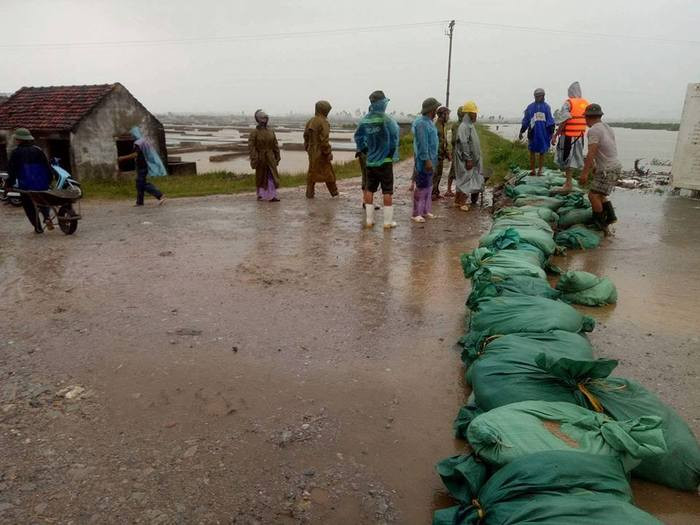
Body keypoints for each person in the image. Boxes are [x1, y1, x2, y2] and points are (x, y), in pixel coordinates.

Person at [354, 90, 400, 228]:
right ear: (382, 103)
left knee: (369, 189)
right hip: (385, 161)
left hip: (370, 161)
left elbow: (358, 136)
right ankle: (387, 222)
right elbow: (394, 137)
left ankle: (369, 220)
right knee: (387, 191)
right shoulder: (387, 120)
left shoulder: (365, 120)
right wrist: (391, 153)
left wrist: (364, 149)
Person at [580, 103, 621, 234]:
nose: (585, 120)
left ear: (588, 117)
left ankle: (599, 223)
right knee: (601, 195)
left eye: (585, 117)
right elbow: (606, 149)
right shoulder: (607, 127)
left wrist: (584, 173)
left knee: (593, 195)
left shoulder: (594, 130)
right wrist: (596, 166)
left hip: (607, 169)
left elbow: (591, 153)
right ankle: (610, 218)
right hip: (614, 166)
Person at [6, 128, 54, 233]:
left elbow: (12, 170)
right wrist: (49, 180)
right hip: (42, 183)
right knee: (43, 201)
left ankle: (38, 227)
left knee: (28, 205)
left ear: (19, 139)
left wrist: (9, 184)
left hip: (26, 184)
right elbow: (47, 166)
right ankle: (46, 217)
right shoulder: (38, 150)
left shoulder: (16, 153)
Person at [551, 81, 589, 190]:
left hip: (568, 136)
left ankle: (568, 184)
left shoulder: (568, 103)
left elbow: (564, 120)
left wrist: (555, 135)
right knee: (576, 158)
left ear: (570, 92)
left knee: (566, 159)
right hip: (580, 136)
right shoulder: (585, 103)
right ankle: (572, 181)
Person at [118, 126, 167, 206]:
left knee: (142, 183)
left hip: (142, 166)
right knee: (139, 184)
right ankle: (139, 202)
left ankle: (160, 195)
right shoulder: (144, 141)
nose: (132, 136)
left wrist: (122, 158)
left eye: (132, 134)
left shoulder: (138, 143)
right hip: (145, 165)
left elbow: (135, 154)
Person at [411, 97, 441, 223]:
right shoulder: (421, 123)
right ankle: (416, 212)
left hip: (431, 160)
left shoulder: (429, 122)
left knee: (428, 187)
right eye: (435, 109)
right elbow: (422, 144)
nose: (436, 112)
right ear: (431, 110)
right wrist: (426, 160)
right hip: (424, 161)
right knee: (421, 187)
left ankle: (425, 210)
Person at [303, 100, 339, 199]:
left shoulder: (310, 121)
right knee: (329, 173)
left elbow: (305, 136)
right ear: (324, 110)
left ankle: (309, 193)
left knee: (312, 172)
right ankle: (334, 192)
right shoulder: (323, 122)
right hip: (321, 151)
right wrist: (328, 152)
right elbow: (324, 140)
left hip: (312, 150)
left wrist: (308, 147)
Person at [453, 101, 483, 211]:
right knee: (466, 179)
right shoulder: (464, 126)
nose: (476, 115)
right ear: (469, 114)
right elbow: (464, 143)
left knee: (464, 178)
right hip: (465, 159)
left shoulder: (470, 125)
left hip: (470, 158)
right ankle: (462, 203)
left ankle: (457, 201)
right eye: (474, 113)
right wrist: (468, 159)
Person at [519, 88, 555, 176]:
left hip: (544, 133)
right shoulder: (530, 107)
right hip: (533, 132)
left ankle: (540, 170)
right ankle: (532, 170)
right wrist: (521, 131)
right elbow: (526, 120)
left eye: (540, 96)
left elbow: (550, 121)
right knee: (532, 151)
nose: (538, 97)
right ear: (534, 96)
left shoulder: (547, 107)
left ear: (543, 96)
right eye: (537, 96)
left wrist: (552, 133)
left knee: (542, 152)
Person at [248, 110, 281, 202]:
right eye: (262, 118)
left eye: (265, 118)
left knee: (271, 176)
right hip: (260, 157)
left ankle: (272, 195)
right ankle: (261, 194)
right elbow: (251, 147)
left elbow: (275, 145)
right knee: (261, 176)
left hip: (270, 157)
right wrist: (255, 157)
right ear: (258, 119)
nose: (264, 120)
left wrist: (277, 156)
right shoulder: (254, 133)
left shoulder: (271, 131)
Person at [431, 106, 452, 199]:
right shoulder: (436, 126)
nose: (448, 117)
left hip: (440, 155)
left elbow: (444, 141)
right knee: (434, 174)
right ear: (442, 115)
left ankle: (436, 192)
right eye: (447, 115)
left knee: (439, 174)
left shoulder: (443, 126)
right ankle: (432, 193)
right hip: (436, 155)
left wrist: (447, 152)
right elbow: (434, 142)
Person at [445, 106, 464, 197]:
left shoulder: (461, 125)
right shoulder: (457, 125)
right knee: (453, 171)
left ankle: (457, 190)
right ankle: (449, 189)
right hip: (457, 152)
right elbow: (454, 140)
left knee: (459, 171)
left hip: (460, 152)